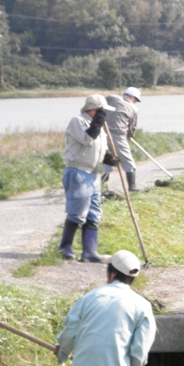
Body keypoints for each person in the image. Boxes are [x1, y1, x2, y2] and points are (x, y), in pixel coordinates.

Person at [55, 250, 156, 366]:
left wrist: (63, 353)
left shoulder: (91, 296)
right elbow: (140, 350)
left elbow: (71, 329)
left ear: (112, 274)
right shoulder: (143, 307)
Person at [59, 95, 120, 263]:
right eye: (102, 112)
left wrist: (109, 159)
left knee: (94, 213)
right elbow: (87, 139)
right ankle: (64, 247)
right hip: (78, 172)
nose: (105, 116)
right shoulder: (78, 121)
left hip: (92, 174)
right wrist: (99, 120)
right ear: (93, 110)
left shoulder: (99, 127)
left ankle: (89, 252)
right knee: (77, 213)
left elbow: (101, 148)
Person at [102, 87, 141, 191]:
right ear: (131, 97)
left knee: (108, 161)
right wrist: (130, 136)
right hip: (118, 135)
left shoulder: (112, 98)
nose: (135, 102)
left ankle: (104, 188)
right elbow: (132, 127)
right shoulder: (133, 109)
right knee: (128, 161)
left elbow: (99, 101)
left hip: (103, 134)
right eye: (136, 100)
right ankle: (132, 187)